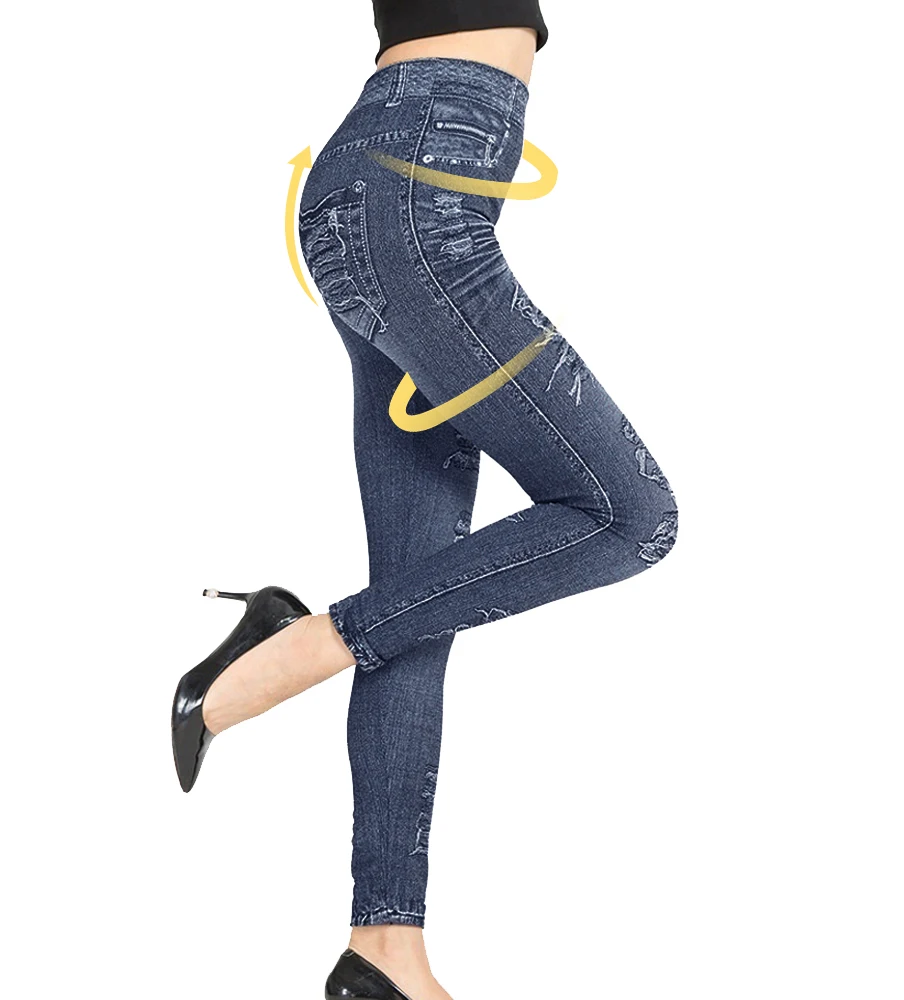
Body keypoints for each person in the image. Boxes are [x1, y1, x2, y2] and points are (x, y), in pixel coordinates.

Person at [171, 3, 679, 997]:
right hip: (418, 181)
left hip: (398, 176)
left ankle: (384, 949)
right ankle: (297, 647)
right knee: (629, 515)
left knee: (417, 600)